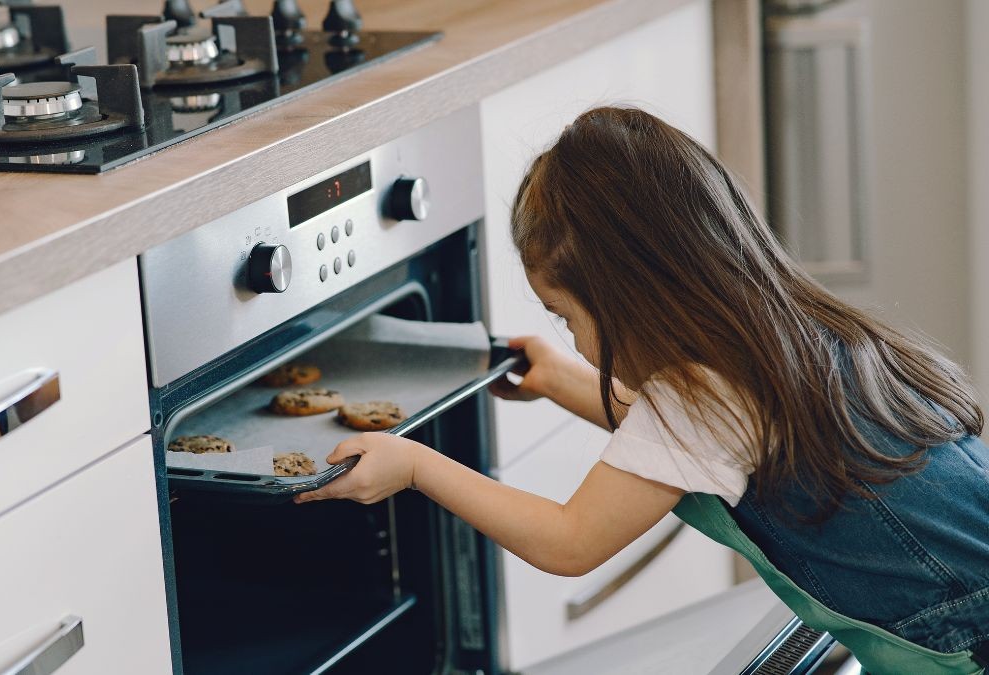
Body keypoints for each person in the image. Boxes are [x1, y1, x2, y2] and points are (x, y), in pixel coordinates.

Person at [295, 107, 989, 672]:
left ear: (630, 299)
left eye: (566, 318)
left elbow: (570, 541)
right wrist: (561, 380)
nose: (571, 339)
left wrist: (417, 465)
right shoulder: (788, 334)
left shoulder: (701, 395)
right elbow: (681, 448)